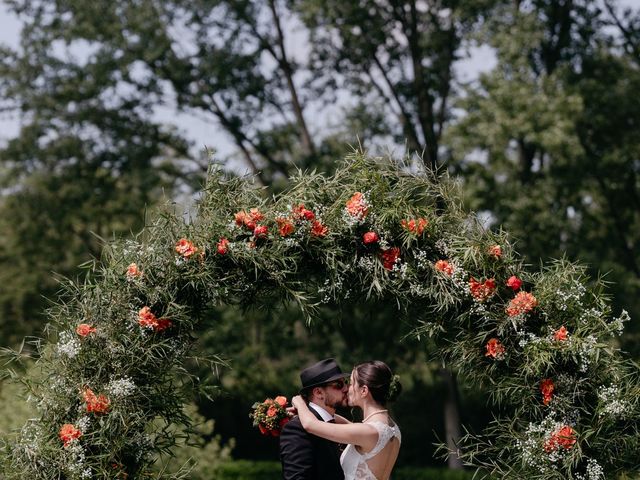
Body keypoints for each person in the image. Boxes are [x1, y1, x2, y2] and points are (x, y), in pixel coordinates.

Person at [291, 360, 402, 480]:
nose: (346, 388)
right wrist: (311, 412)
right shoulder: (391, 428)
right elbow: (343, 424)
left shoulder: (367, 431)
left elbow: (310, 425)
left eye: (351, 383)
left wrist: (300, 403)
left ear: (364, 391)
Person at [280, 358, 350, 480]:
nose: (346, 388)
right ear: (318, 393)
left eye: (346, 382)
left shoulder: (337, 424)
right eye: (338, 385)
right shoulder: (297, 428)